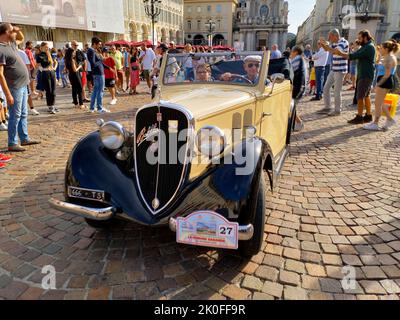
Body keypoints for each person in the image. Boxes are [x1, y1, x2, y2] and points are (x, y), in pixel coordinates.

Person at [0, 23, 40, 152]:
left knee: (23, 113)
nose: (14, 32)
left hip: (22, 85)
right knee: (15, 115)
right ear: (6, 32)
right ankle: (12, 142)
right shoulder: (0, 49)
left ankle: (24, 138)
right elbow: (0, 74)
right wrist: (8, 94)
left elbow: (21, 38)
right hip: (14, 87)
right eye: (11, 30)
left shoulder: (10, 43)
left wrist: (16, 30)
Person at [333, 30, 376, 124]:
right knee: (366, 96)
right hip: (364, 74)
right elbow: (354, 55)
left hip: (365, 75)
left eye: (360, 38)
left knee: (360, 96)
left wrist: (340, 53)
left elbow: (354, 56)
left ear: (365, 37)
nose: (358, 40)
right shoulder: (365, 46)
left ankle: (359, 117)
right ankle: (368, 115)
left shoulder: (369, 47)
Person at [363, 40, 398, 131]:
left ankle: (375, 123)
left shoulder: (388, 58)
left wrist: (377, 85)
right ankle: (390, 119)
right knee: (381, 103)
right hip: (385, 81)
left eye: (381, 48)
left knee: (377, 104)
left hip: (384, 81)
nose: (380, 49)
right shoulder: (389, 56)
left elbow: (387, 74)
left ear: (386, 49)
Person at [319, 29, 349, 116]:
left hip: (340, 70)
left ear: (335, 36)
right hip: (334, 69)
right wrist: (323, 45)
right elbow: (328, 50)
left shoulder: (343, 42)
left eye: (330, 36)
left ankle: (337, 110)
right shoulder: (335, 43)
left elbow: (336, 51)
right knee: (326, 88)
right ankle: (327, 107)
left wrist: (327, 46)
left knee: (337, 91)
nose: (329, 38)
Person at [87, 37, 109, 113]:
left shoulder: (93, 51)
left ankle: (92, 108)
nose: (100, 46)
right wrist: (101, 60)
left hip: (98, 73)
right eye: (99, 44)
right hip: (98, 73)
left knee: (96, 91)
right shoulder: (91, 51)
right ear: (94, 43)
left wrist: (108, 68)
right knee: (100, 91)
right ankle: (99, 108)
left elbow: (98, 63)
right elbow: (93, 64)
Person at [36, 42, 58, 114]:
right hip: (45, 74)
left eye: (47, 47)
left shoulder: (50, 54)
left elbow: (55, 62)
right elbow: (38, 66)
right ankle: (50, 106)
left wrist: (54, 68)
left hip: (52, 73)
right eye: (45, 47)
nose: (47, 48)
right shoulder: (39, 55)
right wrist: (44, 70)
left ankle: (53, 105)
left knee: (54, 90)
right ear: (41, 47)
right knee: (49, 90)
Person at [17, 47, 39, 116]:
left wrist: (28, 77)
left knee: (27, 94)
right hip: (11, 79)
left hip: (22, 78)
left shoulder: (21, 53)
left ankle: (32, 108)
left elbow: (27, 66)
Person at [291, 46, 307, 131]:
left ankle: (298, 123)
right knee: (291, 106)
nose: (291, 54)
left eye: (291, 52)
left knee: (290, 106)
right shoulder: (302, 59)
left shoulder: (297, 59)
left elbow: (290, 69)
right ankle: (295, 123)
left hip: (297, 87)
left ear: (296, 52)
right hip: (300, 87)